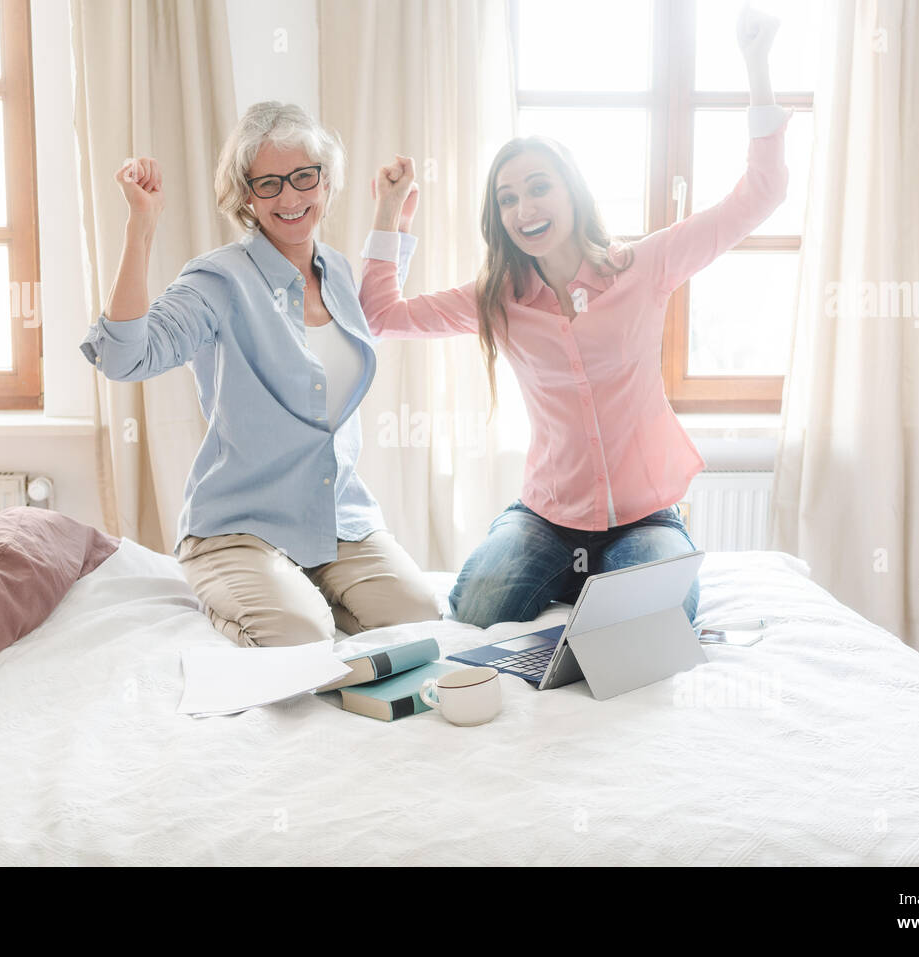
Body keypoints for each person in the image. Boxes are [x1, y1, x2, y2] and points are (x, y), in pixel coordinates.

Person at [359, 7, 790, 629]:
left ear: (571, 192)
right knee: (473, 612)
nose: (524, 207)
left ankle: (602, 590)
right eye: (507, 199)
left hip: (645, 518)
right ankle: (566, 580)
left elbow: (763, 191)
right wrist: (390, 213)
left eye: (538, 188)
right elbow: (380, 313)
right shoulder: (496, 299)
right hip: (546, 519)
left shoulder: (643, 266)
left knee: (648, 630)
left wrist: (756, 64)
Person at [80, 101, 440, 647]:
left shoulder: (337, 271)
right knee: (298, 634)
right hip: (239, 527)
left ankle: (309, 596)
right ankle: (273, 603)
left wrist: (389, 212)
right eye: (268, 184)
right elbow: (124, 357)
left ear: (325, 183)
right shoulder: (218, 280)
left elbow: (377, 314)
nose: (290, 198)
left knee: (417, 616)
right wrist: (141, 228)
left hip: (337, 517)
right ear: (245, 196)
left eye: (303, 177)